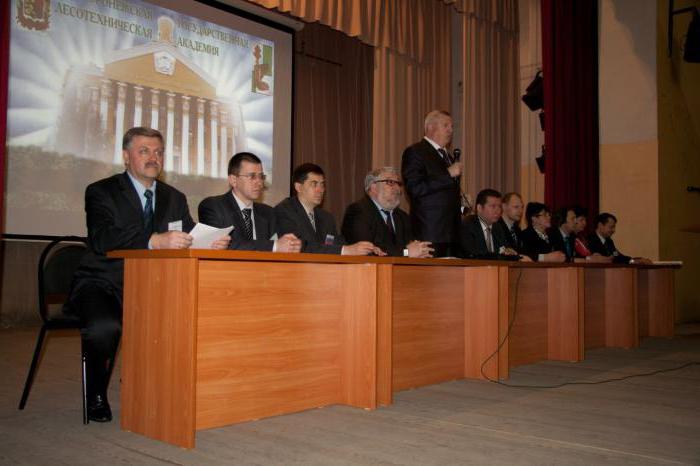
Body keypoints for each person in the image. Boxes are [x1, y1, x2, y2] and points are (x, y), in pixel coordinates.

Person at [65, 127, 230, 422]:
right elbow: (102, 237)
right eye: (144, 151)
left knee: (191, 319)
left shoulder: (174, 197)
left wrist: (210, 239)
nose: (153, 158)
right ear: (127, 156)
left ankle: (162, 389)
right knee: (105, 327)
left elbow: (188, 232)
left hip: (155, 284)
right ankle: (96, 393)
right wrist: (153, 239)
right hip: (103, 281)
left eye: (158, 152)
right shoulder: (101, 190)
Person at [198, 152, 301, 253]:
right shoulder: (213, 206)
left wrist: (292, 244)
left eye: (261, 177)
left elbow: (283, 241)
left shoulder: (268, 212)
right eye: (252, 176)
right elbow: (225, 245)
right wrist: (274, 246)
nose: (259, 182)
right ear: (233, 180)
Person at [275, 163, 383, 255]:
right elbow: (299, 246)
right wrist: (346, 250)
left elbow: (337, 243)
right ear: (298, 187)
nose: (320, 190)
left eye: (322, 185)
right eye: (314, 184)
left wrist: (365, 248)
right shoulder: (284, 211)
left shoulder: (326, 217)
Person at [401, 110, 462, 257]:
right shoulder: (415, 151)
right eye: (445, 125)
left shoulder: (447, 155)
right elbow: (415, 188)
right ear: (430, 127)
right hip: (430, 232)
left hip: (452, 232)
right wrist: (448, 174)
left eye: (452, 126)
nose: (451, 130)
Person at [341, 167, 433, 258]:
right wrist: (406, 252)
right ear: (374, 187)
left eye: (399, 184)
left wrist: (420, 251)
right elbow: (367, 250)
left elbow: (411, 247)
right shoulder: (358, 211)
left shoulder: (402, 217)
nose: (398, 188)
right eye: (391, 182)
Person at [459, 189, 521, 260]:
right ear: (479, 208)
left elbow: (505, 250)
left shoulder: (498, 227)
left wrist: (510, 252)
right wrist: (500, 256)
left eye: (499, 206)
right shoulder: (468, 225)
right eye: (493, 206)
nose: (498, 210)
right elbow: (473, 255)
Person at [586, 213, 651, 264]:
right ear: (600, 225)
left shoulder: (609, 241)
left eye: (614, 227)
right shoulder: (589, 240)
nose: (613, 230)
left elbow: (617, 256)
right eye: (611, 227)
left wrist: (635, 260)